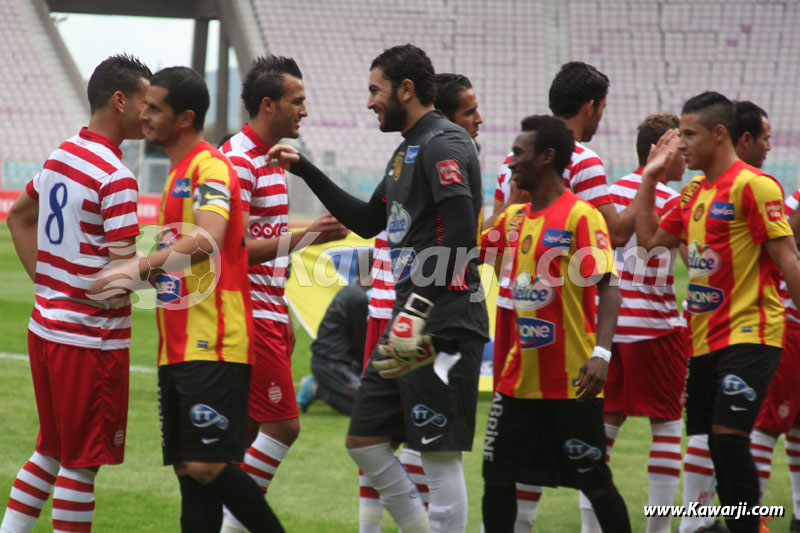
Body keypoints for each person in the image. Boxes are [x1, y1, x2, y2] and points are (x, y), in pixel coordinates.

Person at [268, 44, 489, 533]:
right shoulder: (407, 148)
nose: (370, 102)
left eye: (375, 90)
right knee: (365, 439)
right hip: (411, 320)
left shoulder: (445, 144)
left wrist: (418, 308)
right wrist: (304, 169)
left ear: (405, 90)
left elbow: (459, 233)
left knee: (438, 456)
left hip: (442, 324)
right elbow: (369, 222)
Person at [93, 66, 283, 532]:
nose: (145, 114)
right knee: (189, 477)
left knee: (206, 466)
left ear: (185, 117)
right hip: (176, 346)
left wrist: (132, 268)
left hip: (213, 343)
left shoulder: (209, 166)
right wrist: (135, 279)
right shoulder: (178, 171)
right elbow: (181, 260)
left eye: (155, 107)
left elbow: (208, 239)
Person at [635, 91, 800, 533]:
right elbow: (649, 240)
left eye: (689, 134)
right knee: (712, 443)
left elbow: (788, 259)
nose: (681, 144)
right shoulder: (692, 192)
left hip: (753, 333)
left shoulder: (755, 185)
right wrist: (650, 178)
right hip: (705, 339)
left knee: (729, 440)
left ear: (719, 134)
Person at [0, 54, 150, 533]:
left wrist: (48, 283)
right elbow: (123, 277)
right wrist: (177, 262)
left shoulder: (62, 153)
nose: (150, 113)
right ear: (119, 100)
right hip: (91, 343)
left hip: (45, 328)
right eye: (145, 103)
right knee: (81, 464)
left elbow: (17, 216)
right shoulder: (116, 177)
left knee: (50, 449)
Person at [480, 114, 630, 533]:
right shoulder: (514, 220)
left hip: (571, 381)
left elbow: (609, 287)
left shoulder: (581, 217)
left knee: (595, 482)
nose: (510, 163)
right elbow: (470, 253)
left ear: (546, 157)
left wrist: (602, 353)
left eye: (518, 153)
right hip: (516, 382)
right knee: (496, 478)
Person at [217, 54, 347, 532]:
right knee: (284, 426)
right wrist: (310, 235)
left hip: (269, 309)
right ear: (268, 105)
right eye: (298, 101)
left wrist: (285, 306)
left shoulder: (274, 161)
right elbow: (230, 252)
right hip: (246, 313)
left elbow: (266, 248)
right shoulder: (236, 162)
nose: (305, 111)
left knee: (245, 435)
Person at [600, 113, 688, 533]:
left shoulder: (609, 195)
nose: (686, 158)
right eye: (681, 150)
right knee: (668, 425)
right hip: (656, 327)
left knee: (603, 433)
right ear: (663, 153)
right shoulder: (675, 203)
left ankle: (590, 528)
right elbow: (702, 269)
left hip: (610, 330)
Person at [298, 249, 373, 415]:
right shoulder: (358, 298)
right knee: (366, 408)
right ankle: (317, 389)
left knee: (371, 402)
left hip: (332, 361)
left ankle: (324, 386)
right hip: (331, 363)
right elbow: (359, 341)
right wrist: (365, 371)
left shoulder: (352, 292)